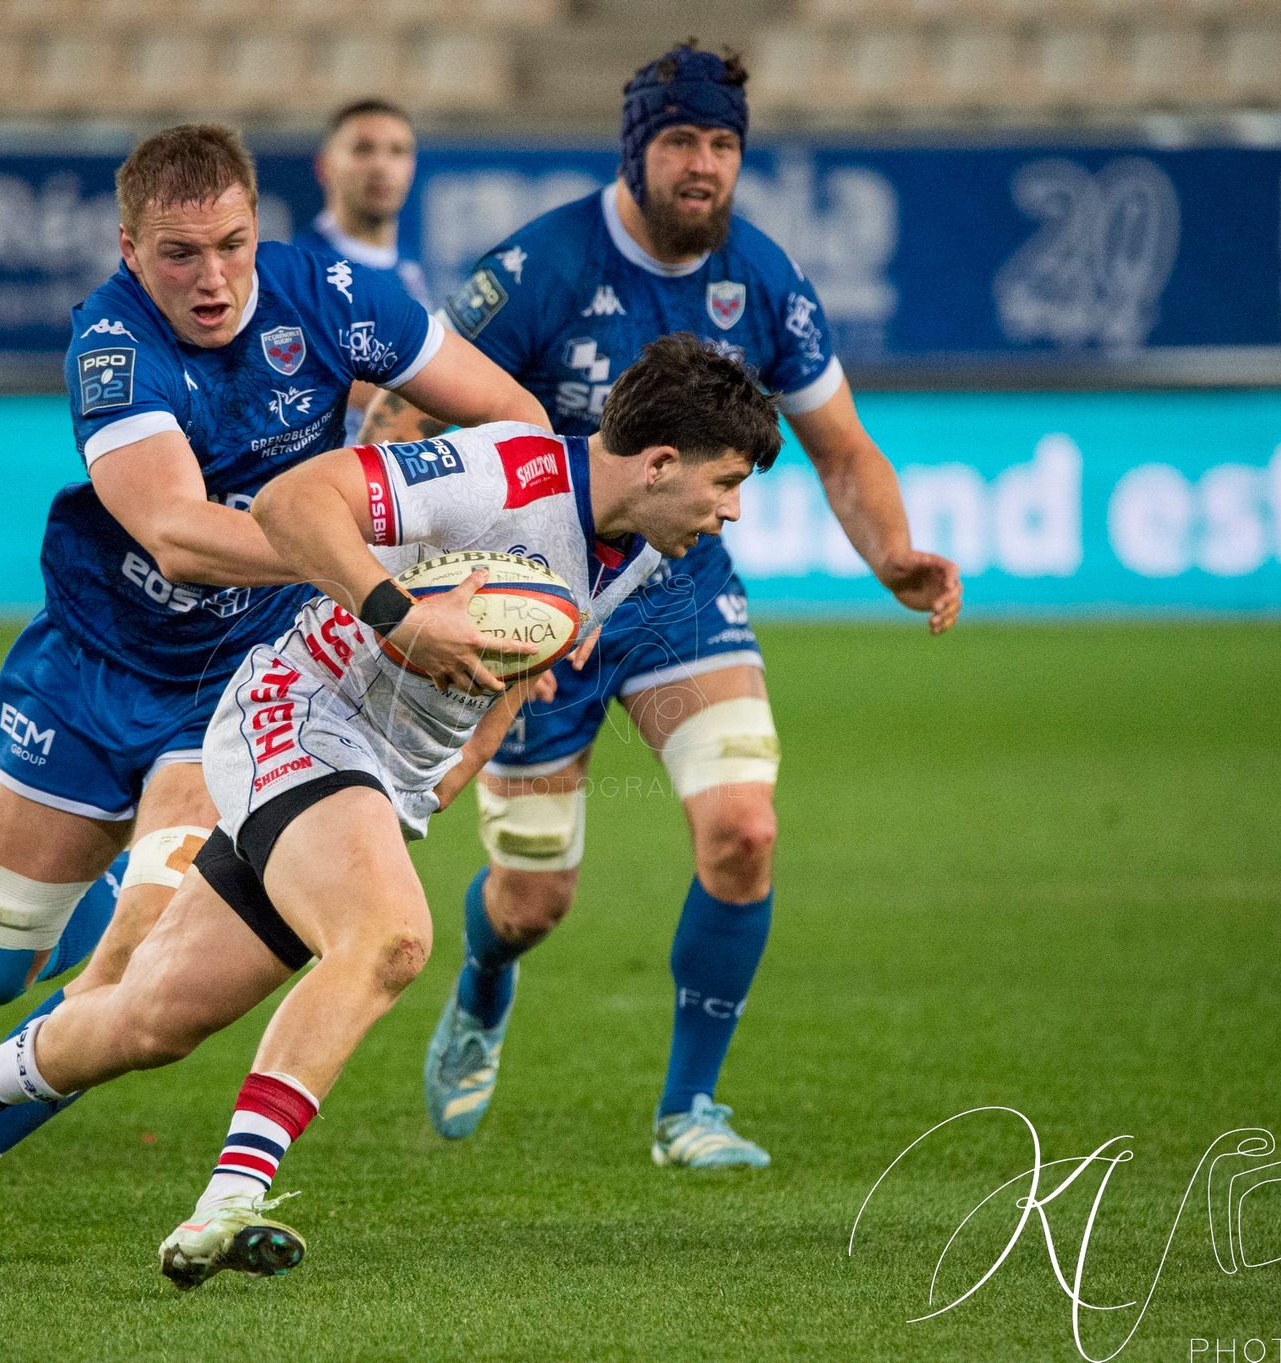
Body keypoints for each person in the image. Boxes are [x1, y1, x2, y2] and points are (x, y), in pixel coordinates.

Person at [0, 334, 781, 1288]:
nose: (733, 510)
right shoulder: (502, 470)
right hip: (299, 714)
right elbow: (291, 503)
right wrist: (400, 611)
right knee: (391, 935)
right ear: (659, 463)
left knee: (147, 1020)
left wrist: (454, 766)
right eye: (727, 481)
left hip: (380, 776)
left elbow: (522, 663)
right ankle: (229, 1199)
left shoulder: (643, 547)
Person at [0, 121, 546, 1263]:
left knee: (134, 966)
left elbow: (514, 424)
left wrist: (483, 545)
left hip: (238, 684)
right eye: (179, 254)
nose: (212, 278)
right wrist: (362, 567)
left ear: (257, 228)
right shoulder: (111, 348)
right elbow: (175, 534)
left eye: (230, 245)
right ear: (129, 248)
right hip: (89, 666)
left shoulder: (336, 295)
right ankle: (53, 959)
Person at [361, 42, 963, 1168]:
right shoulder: (540, 265)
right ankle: (486, 975)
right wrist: (397, 583)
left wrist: (892, 555)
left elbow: (840, 447)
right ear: (635, 148)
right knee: (533, 898)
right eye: (681, 141)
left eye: (723, 145)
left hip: (680, 592)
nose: (703, 165)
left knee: (743, 831)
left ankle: (689, 1110)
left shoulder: (765, 277)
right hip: (532, 598)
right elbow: (405, 418)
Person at [290, 97, 436, 445]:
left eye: (397, 151)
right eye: (362, 150)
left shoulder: (409, 268)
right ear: (324, 166)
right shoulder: (301, 268)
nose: (381, 167)